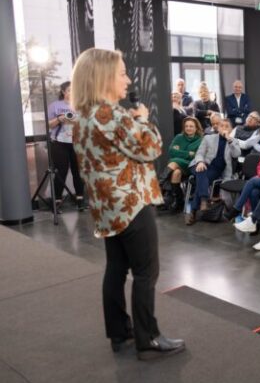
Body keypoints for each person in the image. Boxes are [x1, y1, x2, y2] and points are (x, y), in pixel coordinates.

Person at [71, 48, 184, 360]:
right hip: (132, 204)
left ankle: (119, 332)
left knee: (117, 269)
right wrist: (145, 120)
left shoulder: (82, 118)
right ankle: (149, 338)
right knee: (147, 272)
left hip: (107, 208)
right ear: (104, 77)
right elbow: (152, 148)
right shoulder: (112, 114)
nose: (128, 79)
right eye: (122, 73)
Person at [186, 118, 241, 225]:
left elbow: (236, 154)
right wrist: (201, 162)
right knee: (201, 172)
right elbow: (199, 153)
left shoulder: (234, 141)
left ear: (231, 129)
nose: (224, 128)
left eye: (227, 126)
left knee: (201, 178)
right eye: (222, 126)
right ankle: (203, 200)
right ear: (218, 127)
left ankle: (194, 210)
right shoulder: (208, 138)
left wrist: (229, 140)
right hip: (200, 164)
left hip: (216, 170)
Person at [47, 81, 86, 210]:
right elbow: (49, 125)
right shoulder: (55, 105)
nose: (72, 92)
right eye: (69, 90)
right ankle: (56, 201)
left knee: (78, 172)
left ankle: (80, 199)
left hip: (77, 142)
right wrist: (60, 119)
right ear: (63, 91)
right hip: (59, 143)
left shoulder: (80, 105)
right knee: (61, 172)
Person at [163, 117, 203, 212]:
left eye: (191, 126)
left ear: (196, 128)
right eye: (186, 126)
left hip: (191, 166)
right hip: (178, 166)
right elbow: (171, 152)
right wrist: (188, 153)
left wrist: (180, 152)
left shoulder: (201, 140)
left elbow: (196, 157)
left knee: (174, 162)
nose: (188, 128)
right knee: (176, 172)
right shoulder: (179, 137)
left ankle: (161, 189)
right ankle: (178, 201)